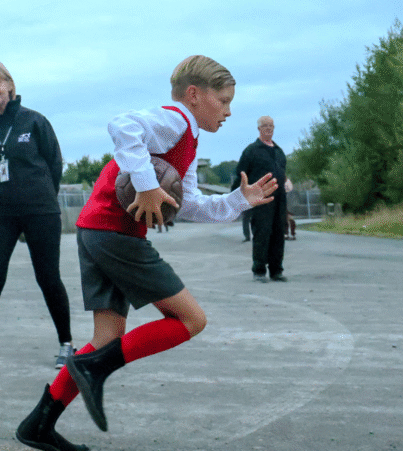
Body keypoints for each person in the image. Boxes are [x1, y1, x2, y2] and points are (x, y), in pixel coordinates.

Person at [15, 55, 279, 451]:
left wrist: (238, 200)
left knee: (107, 338)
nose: (228, 111)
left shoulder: (188, 140)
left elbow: (188, 205)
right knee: (191, 319)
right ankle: (93, 369)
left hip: (97, 229)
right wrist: (145, 184)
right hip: (113, 233)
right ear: (194, 95)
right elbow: (122, 126)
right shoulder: (175, 118)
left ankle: (38, 424)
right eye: (223, 101)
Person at [0, 61, 75, 377]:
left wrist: (43, 196)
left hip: (40, 210)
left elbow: (54, 163)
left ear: (10, 85)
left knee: (48, 277)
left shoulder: (34, 121)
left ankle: (67, 344)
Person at [232, 116, 288, 282]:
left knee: (279, 233)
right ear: (259, 129)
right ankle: (259, 271)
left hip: (279, 198)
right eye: (265, 126)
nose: (268, 129)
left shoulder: (279, 151)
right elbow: (240, 175)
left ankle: (277, 270)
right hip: (261, 199)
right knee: (262, 233)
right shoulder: (251, 151)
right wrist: (235, 199)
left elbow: (282, 172)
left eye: (271, 126)